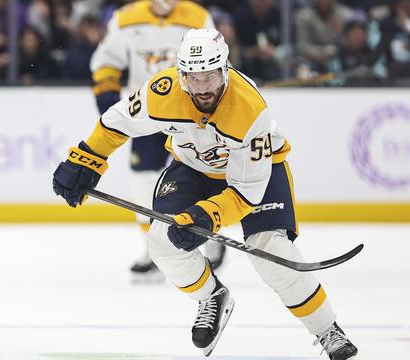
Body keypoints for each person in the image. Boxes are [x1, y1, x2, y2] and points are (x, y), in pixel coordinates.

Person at [52, 28, 358, 359]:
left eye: (209, 77)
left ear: (224, 69)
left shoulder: (249, 109)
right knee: (160, 240)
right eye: (193, 78)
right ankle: (211, 297)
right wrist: (87, 158)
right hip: (193, 169)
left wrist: (207, 216)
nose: (202, 88)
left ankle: (327, 329)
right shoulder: (162, 91)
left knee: (269, 249)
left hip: (257, 177)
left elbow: (245, 192)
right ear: (181, 75)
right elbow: (117, 121)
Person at [89, 0, 226, 282]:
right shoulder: (126, 18)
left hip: (191, 111)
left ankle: (210, 231)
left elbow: (220, 63)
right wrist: (107, 92)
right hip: (150, 111)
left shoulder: (197, 16)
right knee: (143, 179)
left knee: (202, 172)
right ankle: (154, 247)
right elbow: (106, 60)